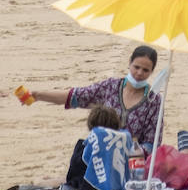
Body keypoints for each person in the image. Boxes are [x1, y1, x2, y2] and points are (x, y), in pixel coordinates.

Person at [20, 45, 164, 150]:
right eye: (136, 67)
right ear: (129, 63)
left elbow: (152, 143)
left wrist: (128, 151)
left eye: (145, 70)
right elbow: (75, 96)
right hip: (99, 154)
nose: (139, 73)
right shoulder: (110, 86)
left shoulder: (154, 101)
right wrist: (38, 95)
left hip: (133, 163)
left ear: (152, 72)